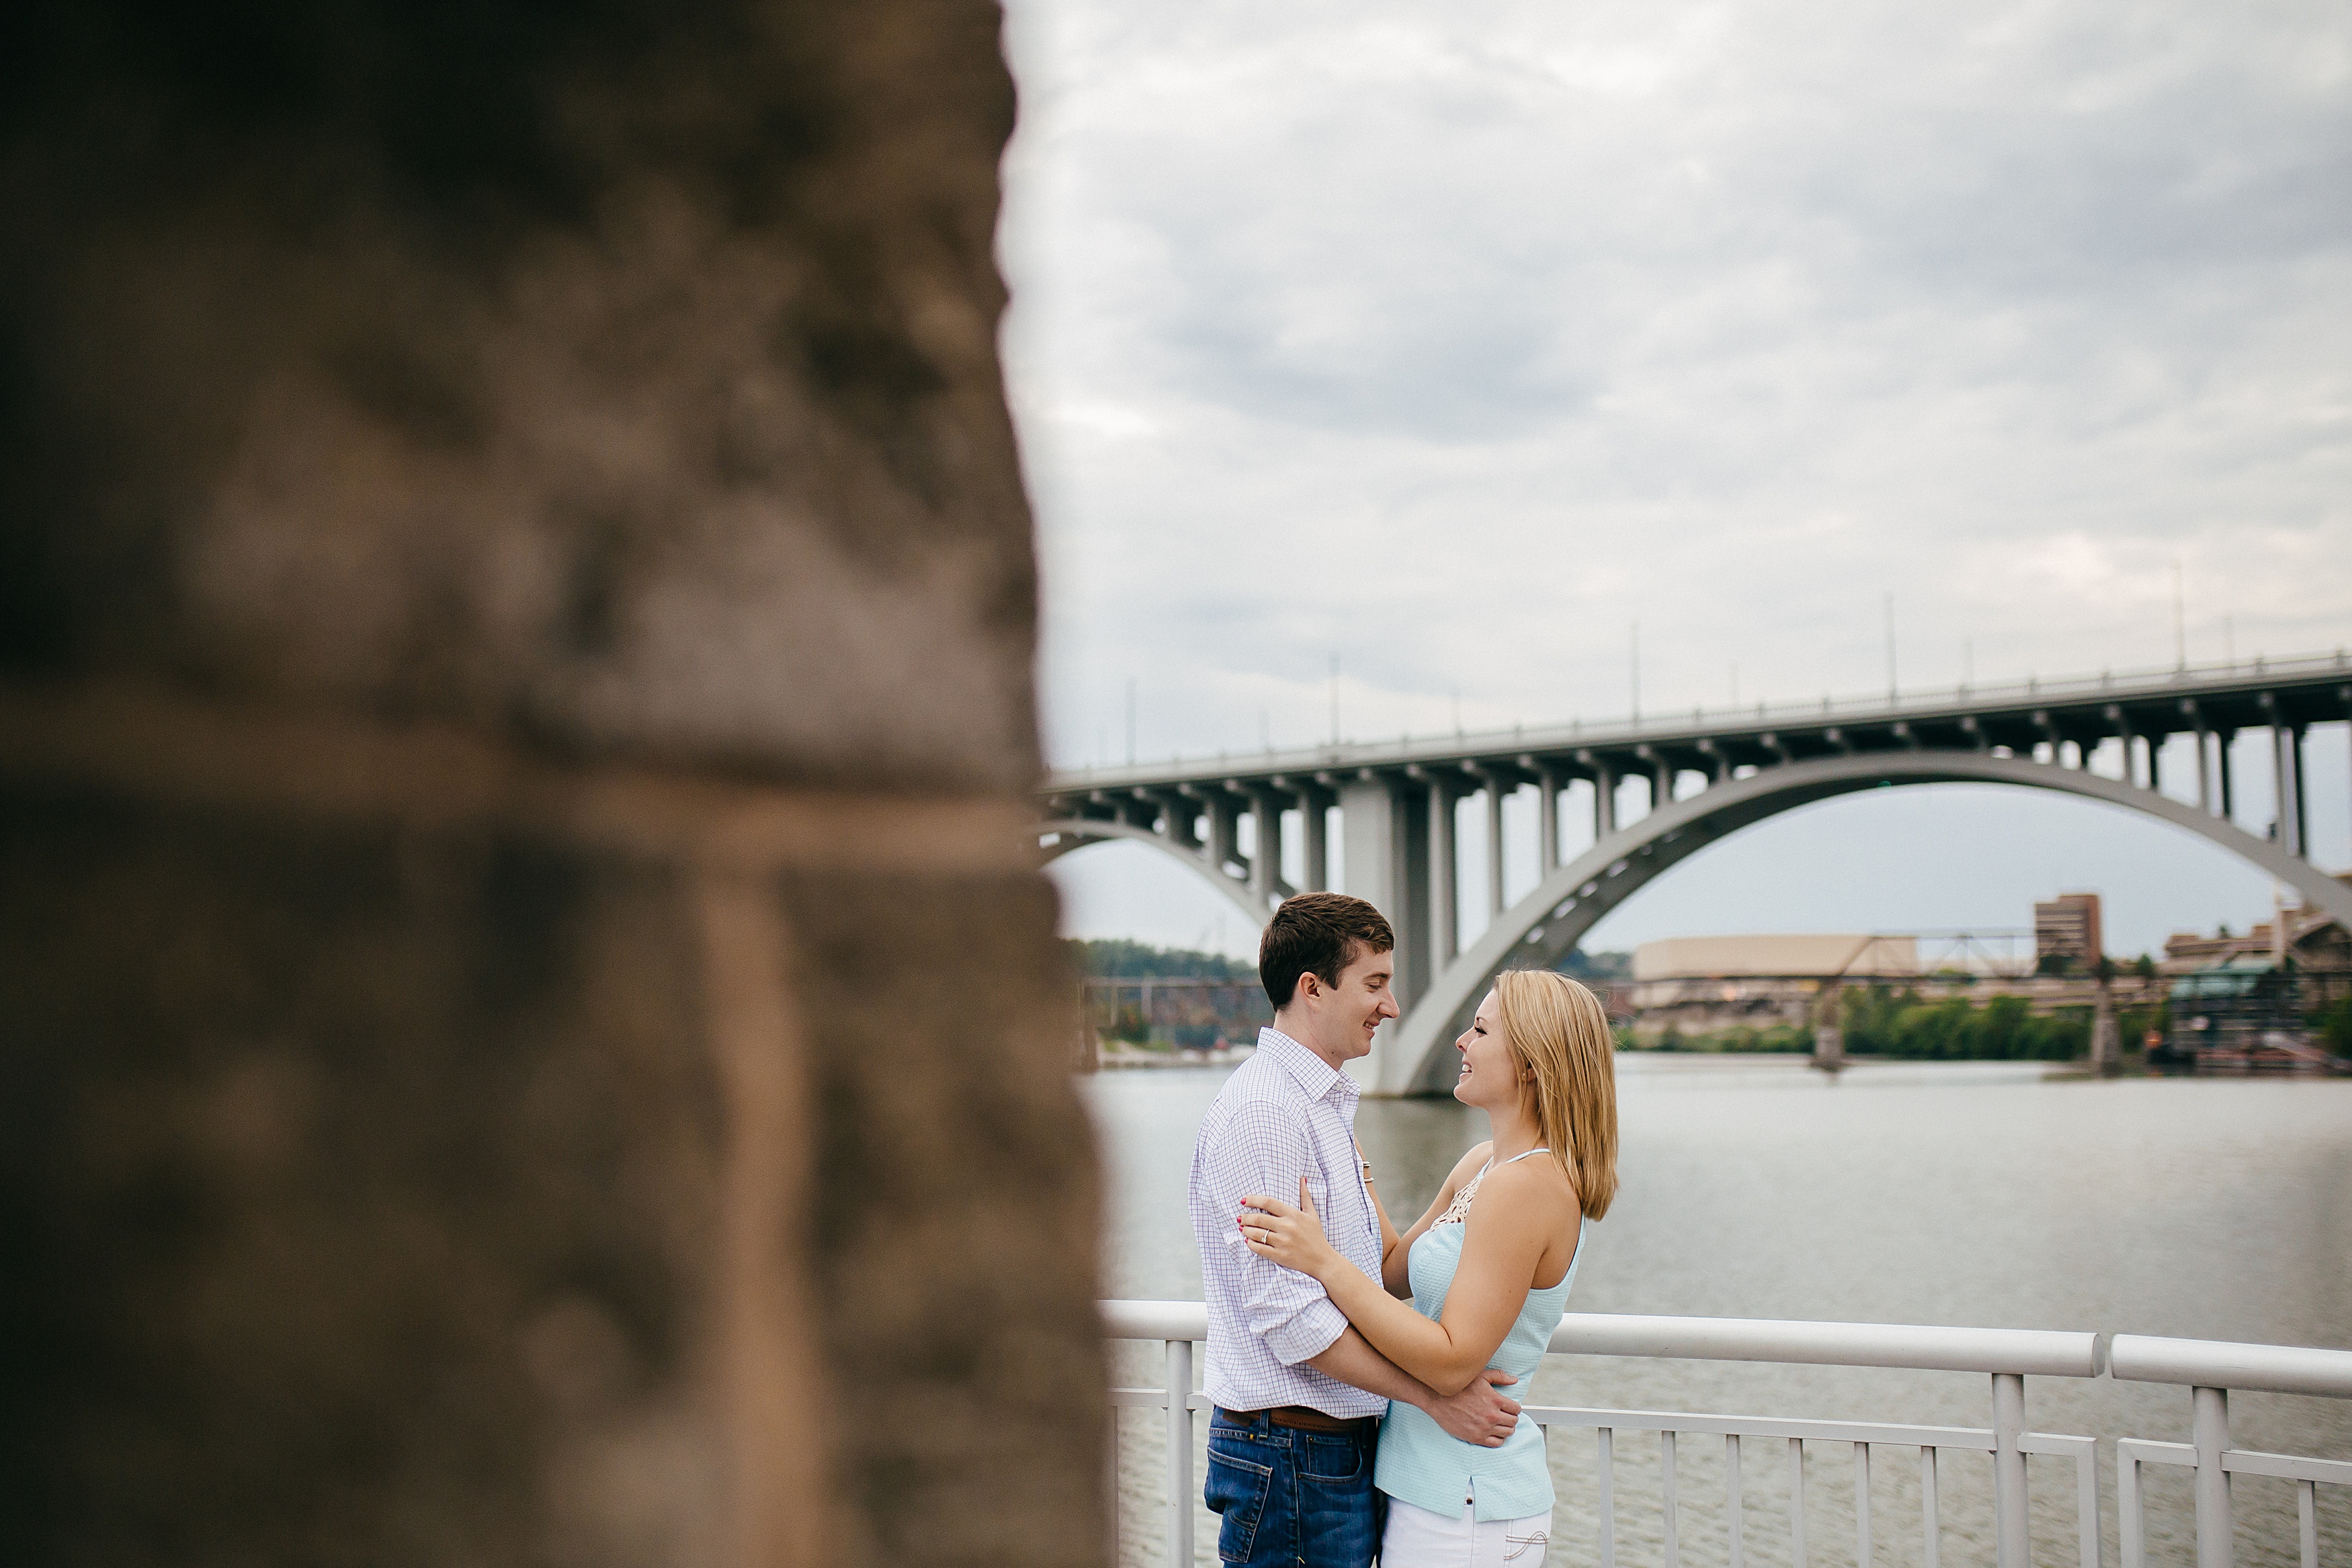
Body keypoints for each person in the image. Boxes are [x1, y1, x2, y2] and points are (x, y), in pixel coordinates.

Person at [1189, 894, 1527, 1568]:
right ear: (1311, 989)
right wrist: (1433, 1397)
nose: (1392, 1006)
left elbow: (1375, 1273)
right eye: (1374, 984)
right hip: (1288, 1453)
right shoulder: (1267, 1114)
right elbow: (1290, 1321)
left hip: (1326, 1452)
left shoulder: (1321, 1108)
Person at [1240, 969, 1619, 1568]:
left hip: (1469, 1500)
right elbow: (1393, 1270)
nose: (1461, 1043)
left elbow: (1450, 1361)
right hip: (1426, 1490)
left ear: (1529, 1063)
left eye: (1480, 1030)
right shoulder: (1482, 1167)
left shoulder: (1526, 1187)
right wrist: (1349, 1158)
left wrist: (1321, 1261)